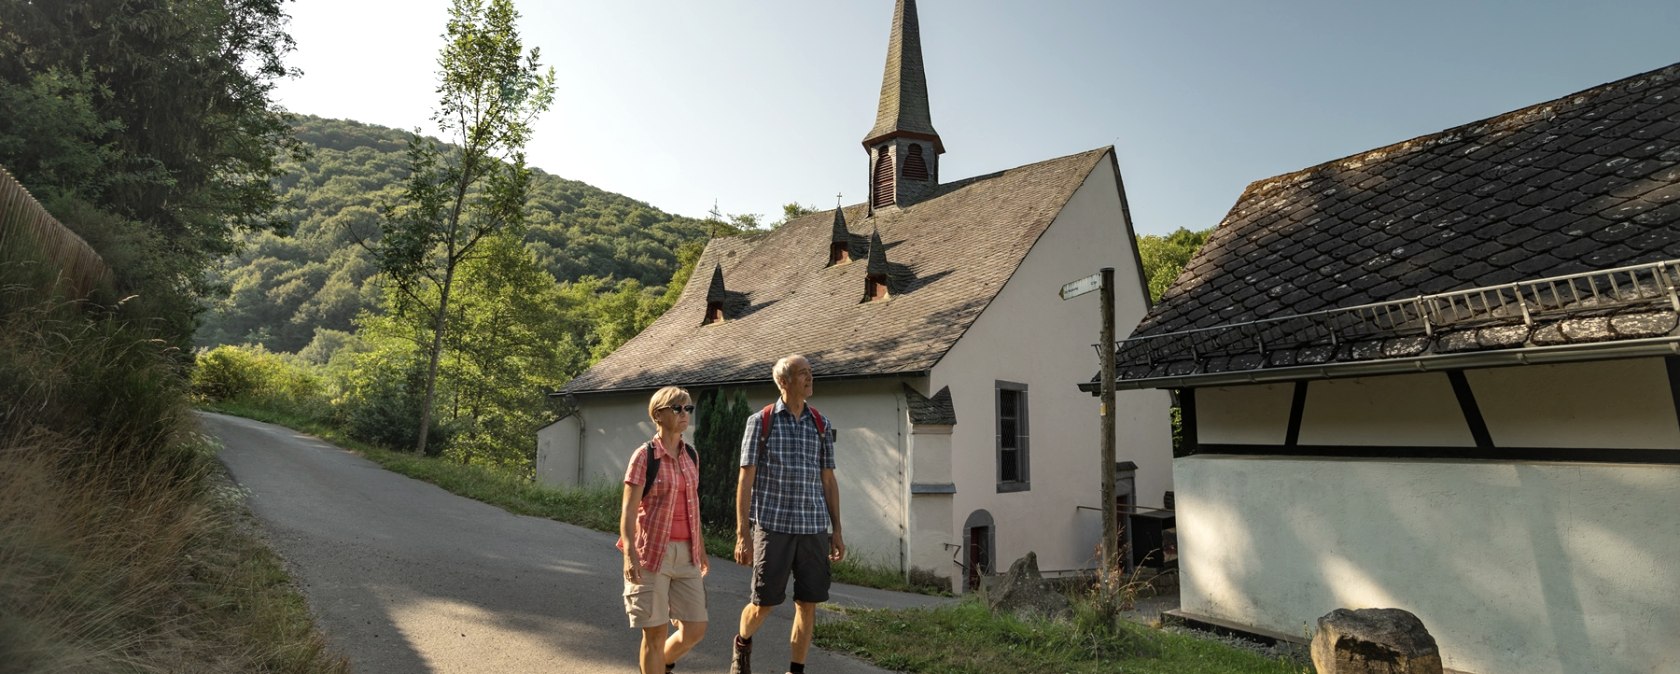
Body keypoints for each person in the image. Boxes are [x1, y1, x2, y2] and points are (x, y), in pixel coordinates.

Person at [729, 355, 844, 674]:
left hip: (813, 528)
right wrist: (743, 534)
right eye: (803, 374)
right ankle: (742, 644)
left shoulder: (821, 423)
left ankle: (795, 670)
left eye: (811, 373)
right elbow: (746, 478)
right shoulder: (761, 422)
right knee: (763, 604)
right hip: (773, 526)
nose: (810, 378)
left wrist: (836, 530)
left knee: (808, 604)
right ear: (784, 381)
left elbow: (828, 480)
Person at [618, 386, 708, 674]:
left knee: (695, 628)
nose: (685, 414)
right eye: (678, 409)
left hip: (687, 554)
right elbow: (629, 510)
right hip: (652, 553)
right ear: (659, 414)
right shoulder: (645, 456)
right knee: (654, 634)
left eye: (688, 409)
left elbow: (693, 506)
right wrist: (629, 554)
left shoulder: (691, 455)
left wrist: (701, 550)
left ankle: (662, 666)